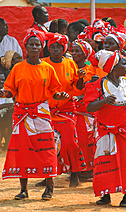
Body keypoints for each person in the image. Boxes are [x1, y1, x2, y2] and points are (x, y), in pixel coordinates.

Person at [0, 29, 68, 200]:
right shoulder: (18, 68)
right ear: (26, 46)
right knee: (23, 152)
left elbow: (55, 90)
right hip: (22, 113)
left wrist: (61, 96)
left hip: (41, 113)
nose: (34, 47)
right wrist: (4, 93)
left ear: (42, 46)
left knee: (47, 150)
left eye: (37, 44)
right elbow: (10, 89)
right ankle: (24, 190)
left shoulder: (48, 68)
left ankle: (49, 187)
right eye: (31, 44)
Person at [85, 50, 126, 207]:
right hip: (105, 129)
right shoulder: (97, 85)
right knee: (105, 161)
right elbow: (89, 107)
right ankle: (105, 194)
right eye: (123, 64)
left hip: (125, 129)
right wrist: (104, 101)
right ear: (113, 67)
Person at [43, 33, 87, 187]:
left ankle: (75, 173)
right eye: (53, 47)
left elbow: (78, 89)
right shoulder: (43, 63)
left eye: (59, 47)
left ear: (64, 49)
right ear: (49, 49)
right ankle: (47, 175)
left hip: (66, 109)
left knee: (70, 143)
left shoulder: (70, 63)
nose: (56, 50)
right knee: (47, 143)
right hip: (47, 109)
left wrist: (81, 78)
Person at [71, 39, 96, 178]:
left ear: (85, 53)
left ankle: (88, 168)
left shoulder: (90, 69)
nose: (74, 53)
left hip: (86, 110)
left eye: (77, 51)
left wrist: (81, 97)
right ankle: (76, 168)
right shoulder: (69, 66)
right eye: (73, 50)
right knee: (74, 140)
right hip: (71, 108)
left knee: (87, 140)